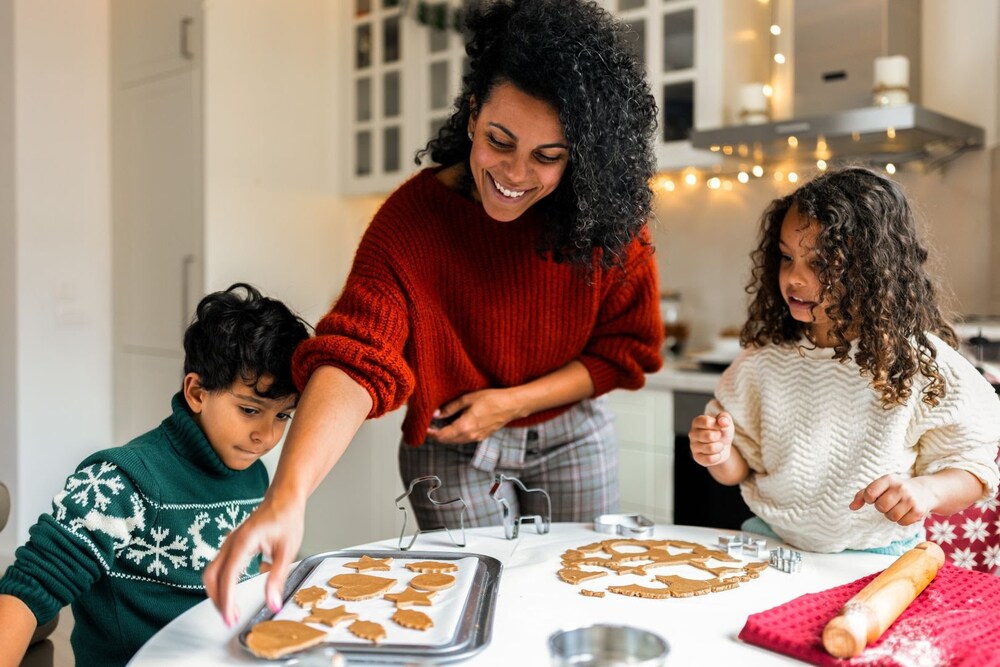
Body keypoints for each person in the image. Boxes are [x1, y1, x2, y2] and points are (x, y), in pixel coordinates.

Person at [203, 0, 662, 625]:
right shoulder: (411, 224)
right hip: (450, 447)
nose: (515, 173)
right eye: (500, 140)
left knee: (580, 600)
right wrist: (288, 494)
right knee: (478, 608)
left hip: (572, 434)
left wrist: (511, 402)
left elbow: (624, 352)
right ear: (473, 113)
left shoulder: (609, 228)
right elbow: (354, 358)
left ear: (579, 153)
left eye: (547, 156)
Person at [689, 166, 1000, 555]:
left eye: (819, 263)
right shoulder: (763, 360)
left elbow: (972, 469)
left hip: (879, 552)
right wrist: (718, 454)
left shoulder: (917, 361)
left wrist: (927, 490)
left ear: (872, 268)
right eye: (787, 258)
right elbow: (740, 468)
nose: (794, 278)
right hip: (772, 541)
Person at [0, 284, 309, 666]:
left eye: (282, 416)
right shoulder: (119, 481)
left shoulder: (257, 478)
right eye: (249, 410)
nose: (268, 435)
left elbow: (254, 576)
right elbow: (28, 592)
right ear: (197, 392)